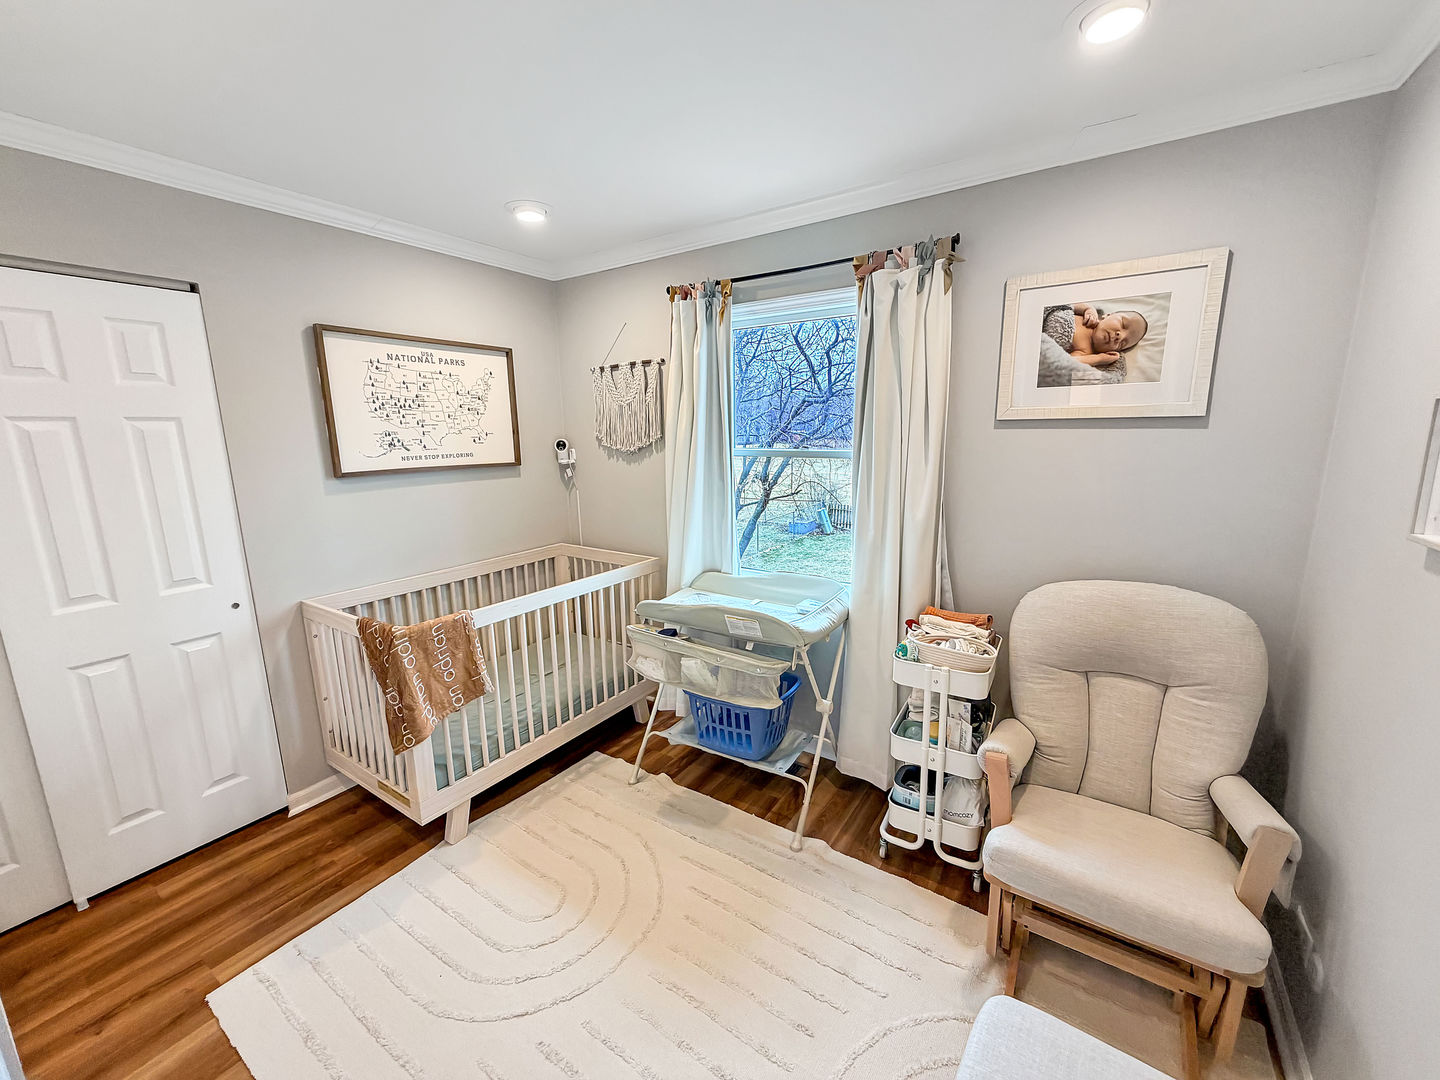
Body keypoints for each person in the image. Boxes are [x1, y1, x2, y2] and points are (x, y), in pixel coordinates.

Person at [1042, 302, 1148, 366]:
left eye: (1122, 344)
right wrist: (1088, 308)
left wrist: (1099, 359)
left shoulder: (1086, 351)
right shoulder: (1089, 315)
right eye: (1123, 324)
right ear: (1108, 315)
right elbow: (1068, 305)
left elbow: (1065, 362)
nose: (1120, 336)